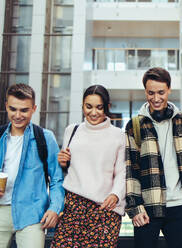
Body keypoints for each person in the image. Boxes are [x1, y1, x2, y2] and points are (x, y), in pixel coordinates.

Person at [0, 83, 65, 248]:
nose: (17, 115)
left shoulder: (45, 138)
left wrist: (54, 208)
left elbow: (57, 180)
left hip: (31, 214)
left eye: (24, 110)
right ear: (6, 107)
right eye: (13, 109)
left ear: (34, 108)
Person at [50, 85, 126, 248]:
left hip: (105, 209)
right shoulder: (72, 130)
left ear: (107, 107)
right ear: (83, 106)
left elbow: (122, 172)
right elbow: (68, 166)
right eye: (88, 106)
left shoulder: (118, 135)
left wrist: (115, 195)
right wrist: (63, 162)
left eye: (99, 107)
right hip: (73, 207)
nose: (93, 112)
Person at [125, 67, 182, 248]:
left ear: (169, 89)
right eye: (151, 93)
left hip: (178, 204)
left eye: (161, 92)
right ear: (145, 92)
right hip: (148, 207)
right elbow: (131, 171)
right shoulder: (135, 125)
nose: (156, 98)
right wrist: (135, 208)